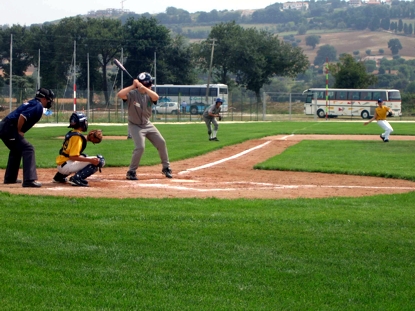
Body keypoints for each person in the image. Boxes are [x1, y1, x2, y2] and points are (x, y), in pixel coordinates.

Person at [117, 72, 172, 180]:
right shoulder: (132, 94)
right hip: (135, 125)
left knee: (161, 142)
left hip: (147, 124)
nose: (150, 85)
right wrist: (133, 86)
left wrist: (144, 88)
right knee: (140, 147)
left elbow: (156, 97)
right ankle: (131, 171)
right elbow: (120, 95)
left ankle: (166, 168)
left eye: (150, 83)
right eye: (148, 84)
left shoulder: (149, 94)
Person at [0, 88, 55, 187]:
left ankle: (10, 178)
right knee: (28, 149)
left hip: (5, 126)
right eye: (48, 99)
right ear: (43, 98)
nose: (49, 101)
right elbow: (22, 116)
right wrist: (19, 130)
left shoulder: (32, 102)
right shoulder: (38, 106)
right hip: (9, 128)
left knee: (16, 150)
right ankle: (29, 180)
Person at [53, 112, 105, 187]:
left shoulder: (72, 133)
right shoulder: (77, 137)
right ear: (81, 123)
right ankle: (76, 179)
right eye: (85, 121)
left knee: (84, 156)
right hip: (66, 166)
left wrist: (88, 139)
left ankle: (59, 177)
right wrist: (91, 160)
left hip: (62, 163)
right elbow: (73, 157)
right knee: (99, 160)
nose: (86, 123)